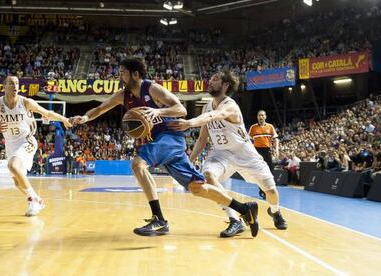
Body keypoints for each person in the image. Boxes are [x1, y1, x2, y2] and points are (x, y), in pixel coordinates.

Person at [70, 58, 259, 237]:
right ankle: (245, 209)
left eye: (123, 73)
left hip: (169, 136)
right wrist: (85, 118)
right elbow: (100, 108)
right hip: (159, 141)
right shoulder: (123, 95)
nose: (121, 77)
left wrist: (157, 111)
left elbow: (181, 110)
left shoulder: (152, 89)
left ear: (135, 74)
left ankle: (159, 219)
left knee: (138, 164)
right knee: (197, 188)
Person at [169, 70, 288, 237]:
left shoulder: (231, 106)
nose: (210, 81)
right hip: (221, 154)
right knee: (208, 174)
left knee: (271, 192)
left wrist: (189, 123)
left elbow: (215, 115)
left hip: (244, 152)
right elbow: (202, 139)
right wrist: (189, 161)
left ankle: (275, 211)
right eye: (210, 78)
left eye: (215, 79)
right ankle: (235, 220)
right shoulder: (206, 106)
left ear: (225, 85)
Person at [0, 76, 72, 216]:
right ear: (4, 87)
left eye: (17, 83)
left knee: (12, 166)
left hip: (27, 141)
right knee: (17, 182)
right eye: (11, 83)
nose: (15, 86)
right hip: (11, 145)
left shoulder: (25, 102)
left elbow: (47, 113)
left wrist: (65, 120)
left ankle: (33, 200)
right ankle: (37, 200)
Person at [248, 110, 279, 198]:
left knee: (269, 172)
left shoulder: (270, 127)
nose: (261, 117)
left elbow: (276, 139)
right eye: (259, 115)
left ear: (265, 117)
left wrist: (276, 149)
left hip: (267, 151)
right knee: (259, 172)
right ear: (257, 117)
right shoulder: (253, 127)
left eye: (262, 115)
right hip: (257, 152)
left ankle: (269, 190)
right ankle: (262, 190)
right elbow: (248, 140)